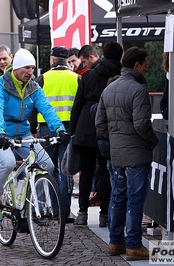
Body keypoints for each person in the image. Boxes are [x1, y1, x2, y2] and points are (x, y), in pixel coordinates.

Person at [0, 48, 71, 222]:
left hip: (23, 133)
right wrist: (0, 133)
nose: (30, 72)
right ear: (16, 67)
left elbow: (47, 109)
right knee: (8, 162)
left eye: (32, 68)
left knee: (47, 165)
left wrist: (60, 129)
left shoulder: (33, 86)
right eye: (27, 68)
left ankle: (34, 205)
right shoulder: (0, 85)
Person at [95, 46, 159, 261]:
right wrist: (153, 140)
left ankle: (115, 241)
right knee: (135, 199)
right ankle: (133, 244)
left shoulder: (109, 89)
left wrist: (115, 137)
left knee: (117, 197)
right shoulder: (138, 90)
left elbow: (99, 123)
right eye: (145, 64)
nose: (147, 68)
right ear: (137, 65)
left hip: (116, 153)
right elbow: (142, 124)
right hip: (136, 153)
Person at [69, 42, 123, 226]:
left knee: (87, 171)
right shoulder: (120, 75)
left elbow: (77, 105)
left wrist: (72, 131)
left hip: (86, 126)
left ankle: (82, 212)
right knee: (107, 172)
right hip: (108, 125)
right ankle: (105, 214)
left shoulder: (88, 76)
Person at [32, 46, 80, 223]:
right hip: (68, 129)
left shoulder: (42, 79)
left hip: (46, 129)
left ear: (52, 60)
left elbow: (32, 105)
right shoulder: (77, 78)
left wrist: (31, 129)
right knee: (66, 171)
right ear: (67, 61)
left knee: (49, 169)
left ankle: (51, 208)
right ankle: (64, 212)